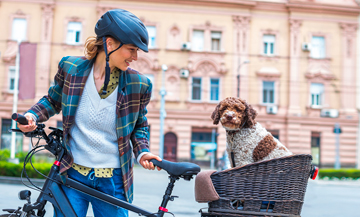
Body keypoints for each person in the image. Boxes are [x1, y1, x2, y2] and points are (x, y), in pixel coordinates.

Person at [17, 9, 161, 217]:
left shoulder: (139, 84)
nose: (135, 57)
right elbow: (52, 100)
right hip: (72, 175)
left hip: (113, 180)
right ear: (110, 44)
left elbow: (139, 125)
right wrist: (32, 115)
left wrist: (142, 151)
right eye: (131, 49)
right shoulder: (71, 68)